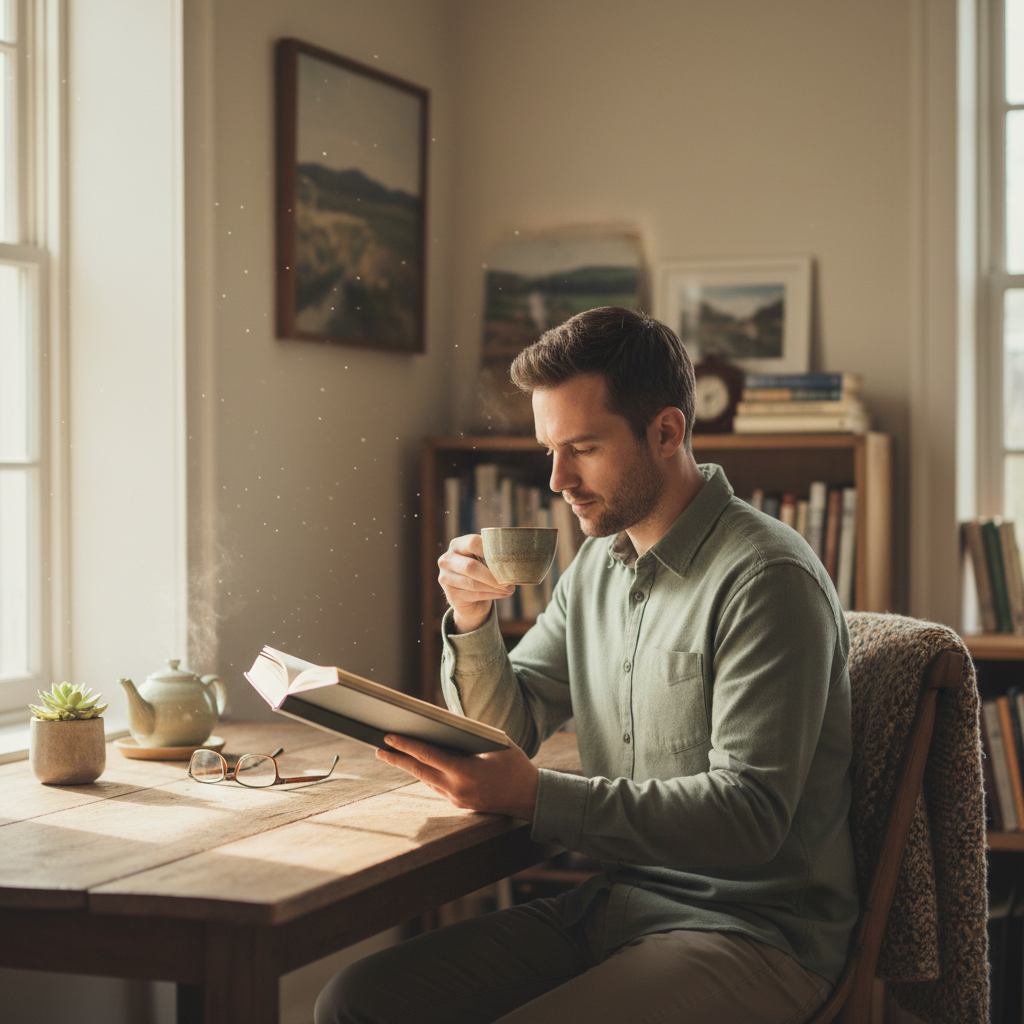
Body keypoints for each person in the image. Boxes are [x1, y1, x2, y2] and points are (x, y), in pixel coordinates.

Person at [315, 306, 859, 1024]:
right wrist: (473, 619)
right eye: (549, 449)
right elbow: (509, 727)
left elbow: (749, 817)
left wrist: (537, 797)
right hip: (618, 906)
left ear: (666, 432)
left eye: (583, 447)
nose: (557, 478)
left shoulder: (766, 578)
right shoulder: (597, 568)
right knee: (356, 1002)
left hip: (756, 935)